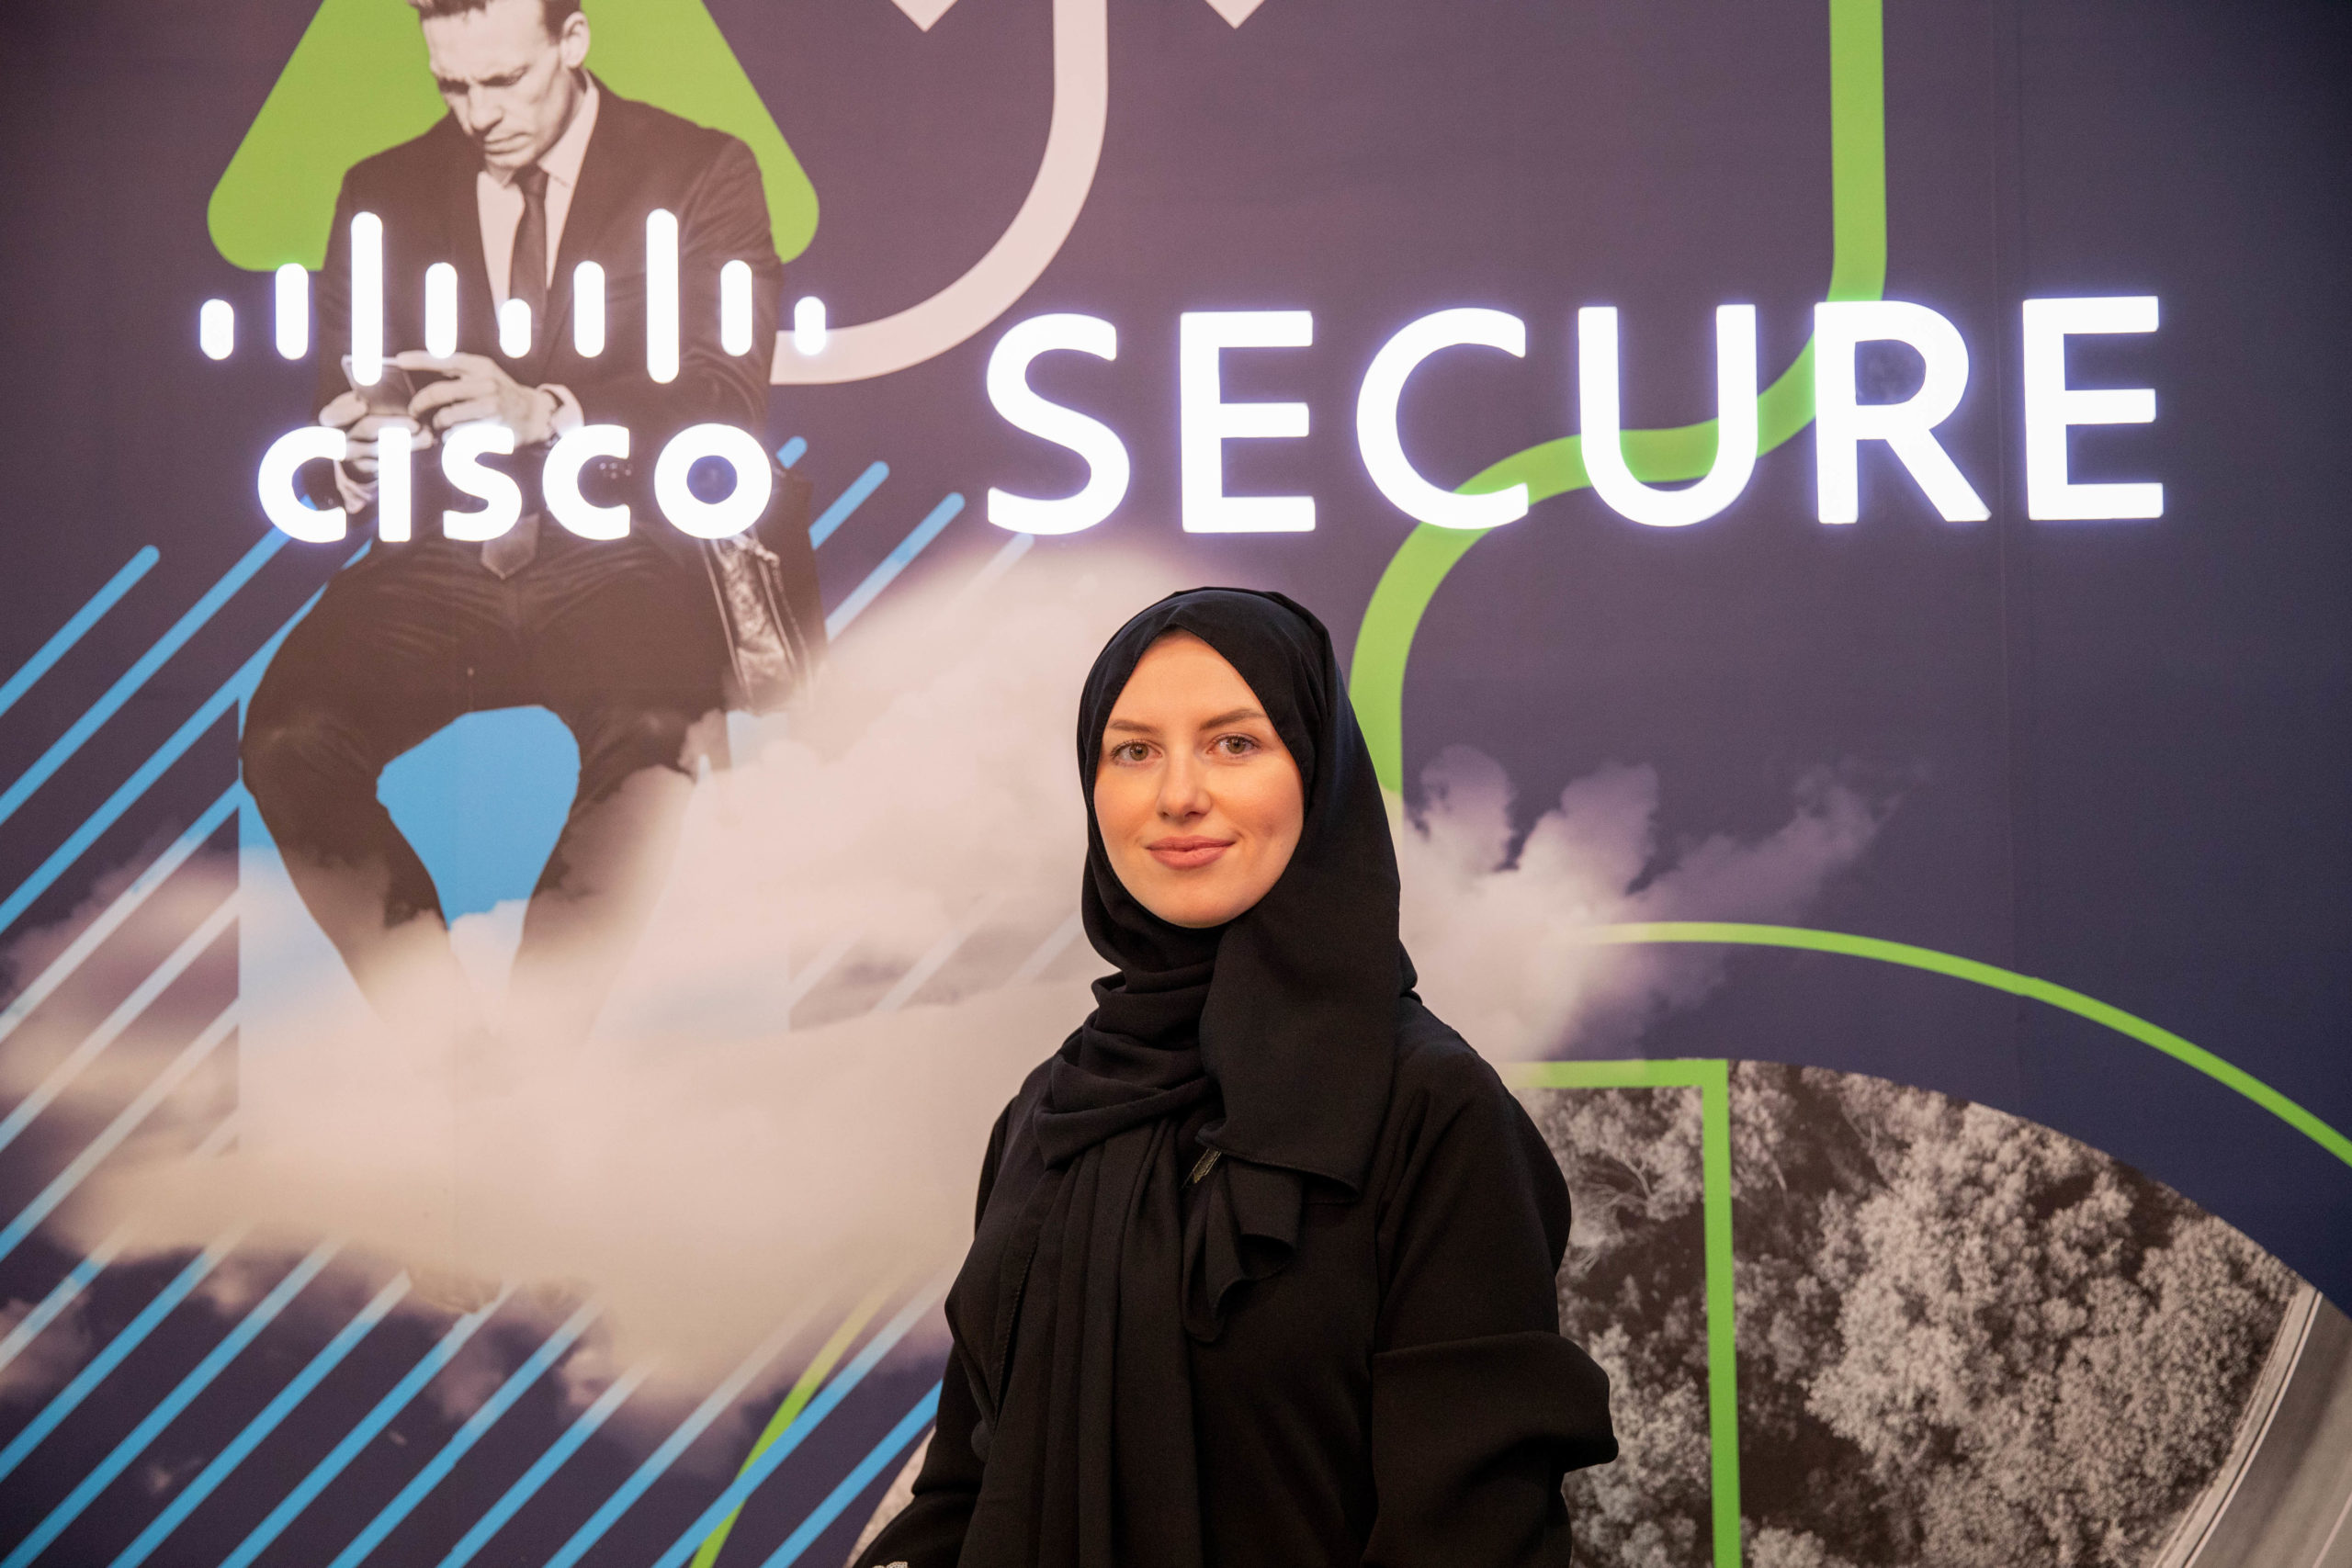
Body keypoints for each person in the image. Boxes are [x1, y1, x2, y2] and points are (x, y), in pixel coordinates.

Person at [856, 589, 1617, 1568]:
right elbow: (968, 1487)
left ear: (1317, 772)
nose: (1177, 795)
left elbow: (1468, 1534)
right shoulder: (1050, 1113)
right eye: (1133, 750)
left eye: (1233, 743)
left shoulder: (1430, 1109)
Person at [238, 0, 808, 1050]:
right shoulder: (385, 189)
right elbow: (337, 402)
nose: (477, 114)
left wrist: (546, 411)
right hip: (440, 560)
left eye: (503, 82)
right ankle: (444, 1034)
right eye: (450, 86)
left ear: (573, 41)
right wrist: (352, 456)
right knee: (284, 738)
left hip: (624, 550)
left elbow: (727, 398)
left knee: (652, 736)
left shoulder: (699, 171)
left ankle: (534, 1048)